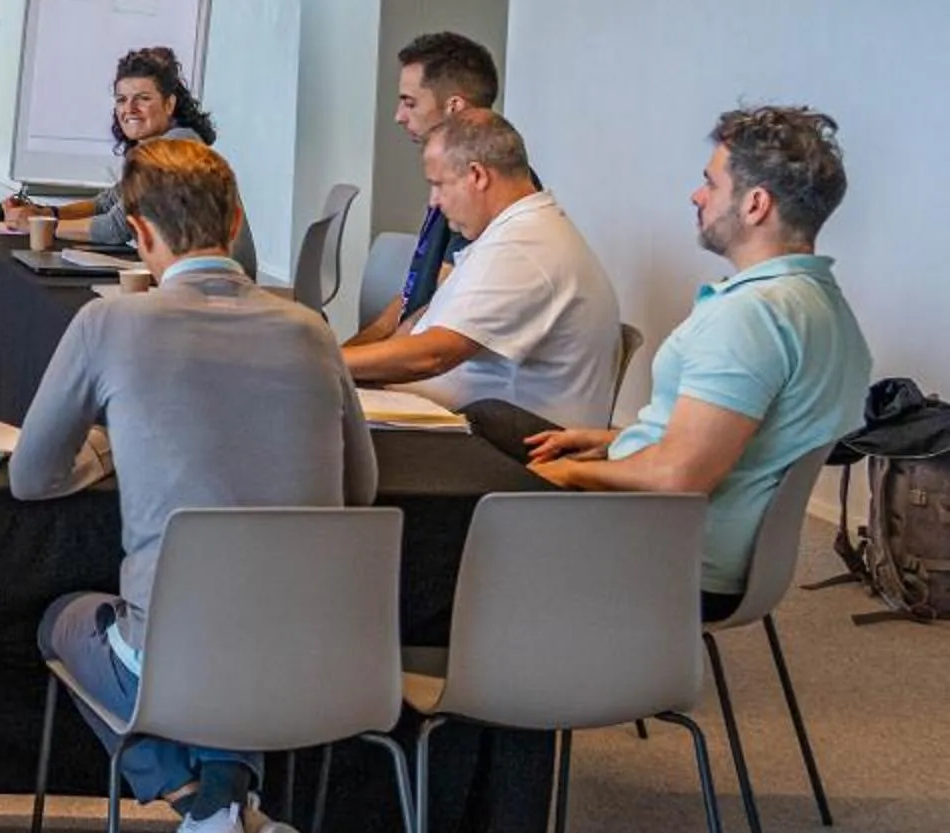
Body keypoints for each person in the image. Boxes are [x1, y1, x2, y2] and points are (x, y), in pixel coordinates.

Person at [14, 138, 377, 833]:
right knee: (229, 635)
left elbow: (33, 478)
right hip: (324, 656)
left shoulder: (109, 321)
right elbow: (359, 495)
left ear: (138, 235)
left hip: (176, 656)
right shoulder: (313, 332)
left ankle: (206, 812)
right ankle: (229, 811)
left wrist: (106, 450)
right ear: (238, 222)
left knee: (65, 622)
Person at [523, 106, 873, 605]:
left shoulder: (750, 317)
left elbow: (678, 476)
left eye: (710, 183)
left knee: (448, 503)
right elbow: (744, 441)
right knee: (488, 425)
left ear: (755, 205)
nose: (697, 195)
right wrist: (614, 441)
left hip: (666, 550)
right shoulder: (824, 305)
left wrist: (573, 473)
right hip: (716, 549)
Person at [343, 108, 619, 436]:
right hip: (463, 428)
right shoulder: (509, 234)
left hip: (503, 450)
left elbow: (433, 355)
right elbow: (423, 333)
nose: (435, 201)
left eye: (438, 184)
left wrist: (321, 363)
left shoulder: (524, 246)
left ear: (477, 175)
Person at [5, 46, 257, 277]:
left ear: (169, 104)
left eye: (143, 98)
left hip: (217, 286)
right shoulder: (157, 145)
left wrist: (37, 224)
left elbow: (115, 229)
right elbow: (109, 201)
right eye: (122, 100)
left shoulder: (178, 148)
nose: (130, 108)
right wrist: (48, 212)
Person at [352, 31, 505, 342]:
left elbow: (436, 315)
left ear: (454, 107)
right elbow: (414, 298)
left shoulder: (481, 190)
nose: (399, 117)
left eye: (410, 103)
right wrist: (343, 353)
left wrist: (345, 365)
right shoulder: (455, 177)